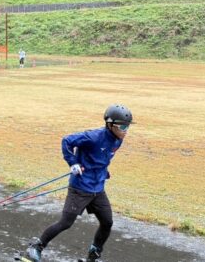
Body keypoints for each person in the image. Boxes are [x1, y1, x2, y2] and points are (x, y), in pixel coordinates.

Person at [25, 104, 135, 262]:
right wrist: (73, 163)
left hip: (98, 188)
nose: (126, 130)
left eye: (128, 127)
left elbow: (102, 157)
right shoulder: (93, 136)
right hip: (80, 188)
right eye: (123, 126)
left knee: (107, 222)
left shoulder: (117, 140)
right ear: (110, 125)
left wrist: (102, 170)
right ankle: (35, 247)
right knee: (65, 223)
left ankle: (93, 255)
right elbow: (67, 141)